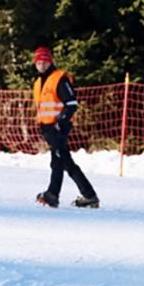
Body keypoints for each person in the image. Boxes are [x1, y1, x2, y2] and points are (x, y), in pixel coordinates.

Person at [32, 46, 99, 209]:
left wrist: (60, 122)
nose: (41, 64)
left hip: (58, 128)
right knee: (66, 163)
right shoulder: (38, 82)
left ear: (50, 61)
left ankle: (52, 195)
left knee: (57, 161)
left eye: (45, 61)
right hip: (47, 128)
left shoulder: (59, 78)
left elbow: (71, 104)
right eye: (39, 62)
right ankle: (89, 195)